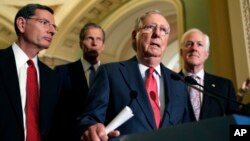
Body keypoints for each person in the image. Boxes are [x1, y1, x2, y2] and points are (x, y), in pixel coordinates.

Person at [77, 10, 192, 141]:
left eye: (163, 30)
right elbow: (89, 118)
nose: (157, 34)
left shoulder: (178, 81)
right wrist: (92, 128)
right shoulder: (110, 73)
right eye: (150, 27)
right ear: (134, 36)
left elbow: (188, 128)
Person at [0, 3, 60, 141]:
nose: (52, 31)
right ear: (21, 24)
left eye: (54, 27)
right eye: (44, 23)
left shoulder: (52, 77)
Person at [52, 22, 105, 140]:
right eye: (90, 38)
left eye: (98, 39)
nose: (94, 43)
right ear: (81, 44)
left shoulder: (111, 74)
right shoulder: (62, 72)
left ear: (103, 46)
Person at [179, 28, 239, 121]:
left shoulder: (224, 86)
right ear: (181, 52)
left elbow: (235, 121)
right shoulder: (170, 83)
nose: (194, 48)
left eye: (200, 44)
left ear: (206, 54)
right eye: (189, 44)